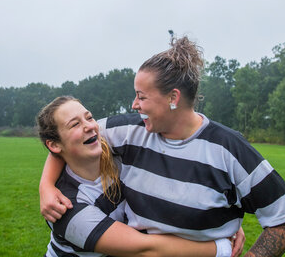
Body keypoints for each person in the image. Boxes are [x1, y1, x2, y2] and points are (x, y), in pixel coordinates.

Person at [40, 36, 285, 256]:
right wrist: (47, 186)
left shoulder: (228, 149)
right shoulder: (128, 131)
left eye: (141, 96)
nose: (134, 105)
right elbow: (69, 143)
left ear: (173, 98)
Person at [37, 96, 236, 257]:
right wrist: (220, 247)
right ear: (54, 145)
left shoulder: (120, 151)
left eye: (89, 118)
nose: (90, 126)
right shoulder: (65, 207)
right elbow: (144, 249)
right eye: (74, 125)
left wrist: (220, 223)